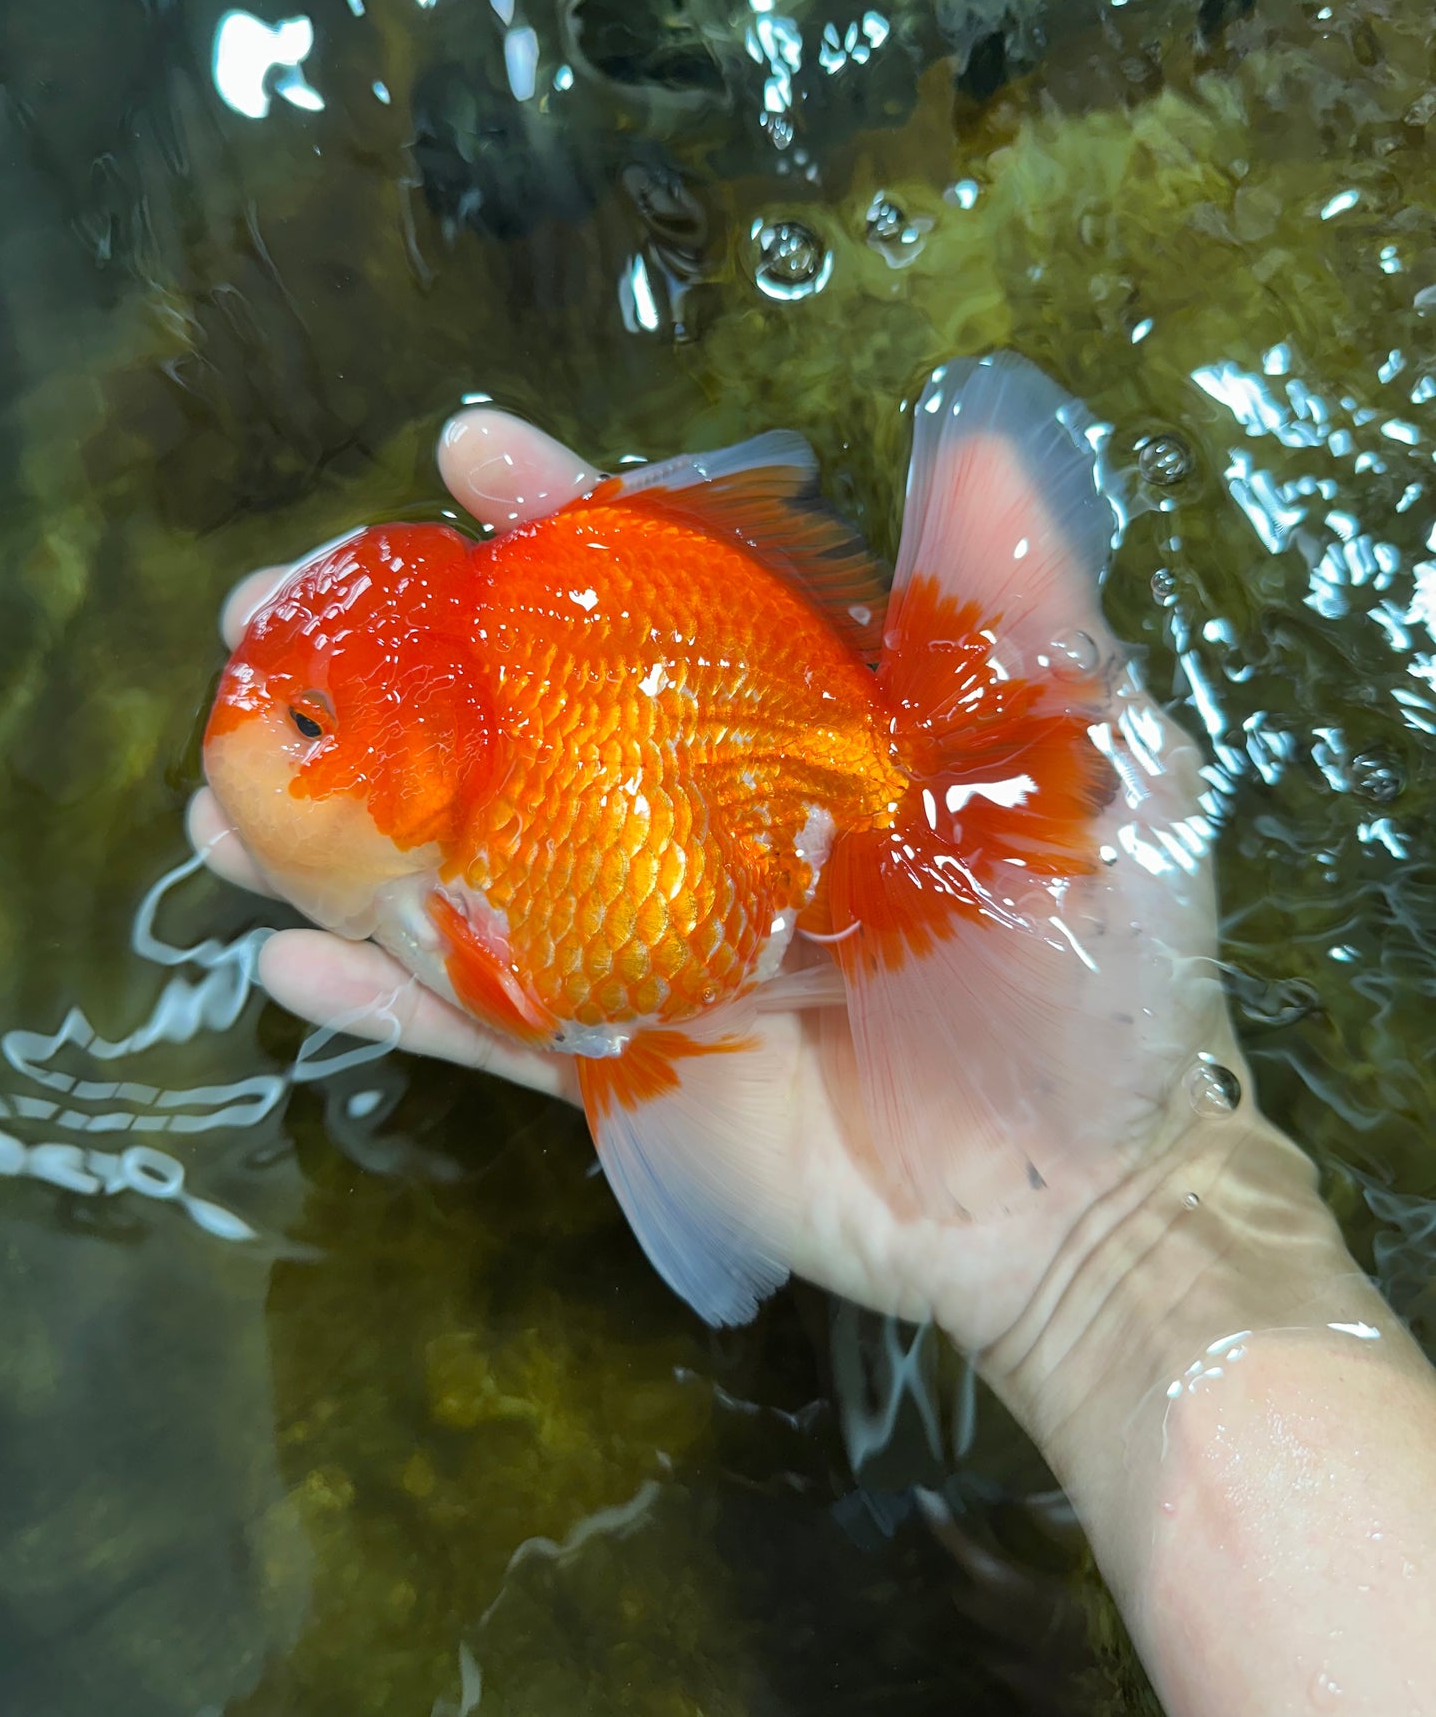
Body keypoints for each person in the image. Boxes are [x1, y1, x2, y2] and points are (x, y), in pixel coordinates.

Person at [189, 403, 1436, 1717]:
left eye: (309, 723)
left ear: (429, 754)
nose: (252, 734)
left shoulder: (475, 868)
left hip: (778, 797)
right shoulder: (437, 857)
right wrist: (1111, 1240)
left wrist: (1110, 1201)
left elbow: (542, 987)